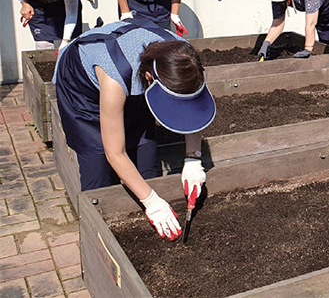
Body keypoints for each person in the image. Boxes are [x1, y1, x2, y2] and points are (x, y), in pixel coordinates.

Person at [54, 17, 215, 241]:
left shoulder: (185, 59)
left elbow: (192, 110)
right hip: (82, 90)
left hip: (132, 74)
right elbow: (115, 153)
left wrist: (193, 158)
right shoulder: (114, 76)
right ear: (150, 78)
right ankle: (95, 240)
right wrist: (152, 203)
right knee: (97, 166)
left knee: (145, 162)